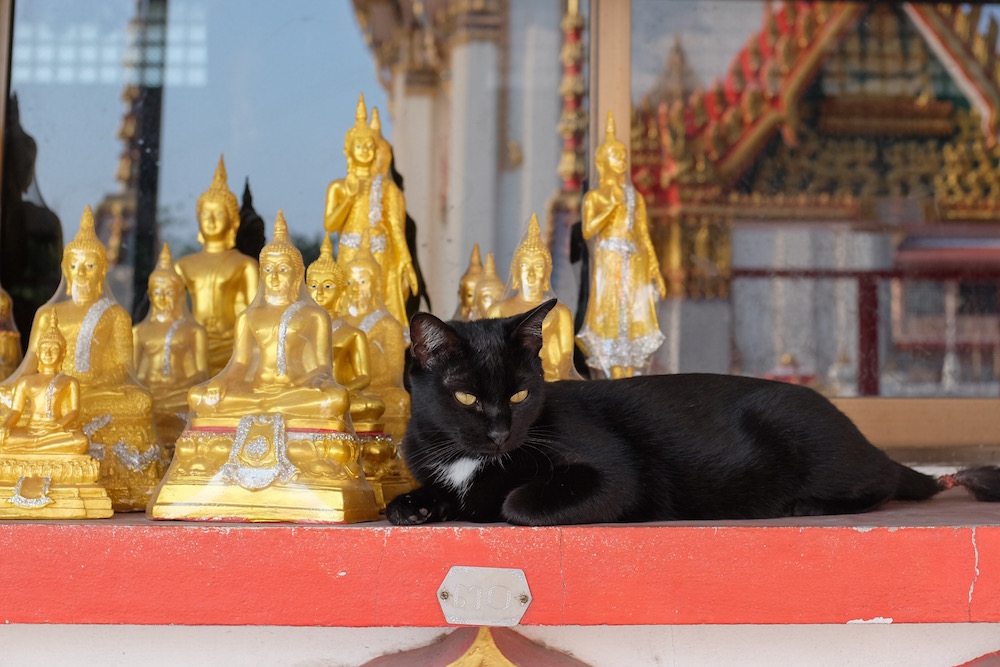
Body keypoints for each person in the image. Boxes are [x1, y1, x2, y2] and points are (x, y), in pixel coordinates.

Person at [188, 211, 349, 429]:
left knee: (337, 399)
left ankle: (267, 407)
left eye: (282, 269)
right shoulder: (247, 317)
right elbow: (240, 364)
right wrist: (220, 382)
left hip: (295, 393)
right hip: (255, 392)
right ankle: (265, 406)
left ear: (297, 274)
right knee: (197, 396)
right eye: (268, 269)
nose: (274, 277)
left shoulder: (315, 315)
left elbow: (322, 367)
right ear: (261, 274)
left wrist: (319, 384)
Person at [578, 112, 667, 378]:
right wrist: (609, 208)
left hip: (634, 262)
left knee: (633, 317)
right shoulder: (595, 197)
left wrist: (655, 271)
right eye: (616, 156)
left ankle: (631, 372)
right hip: (609, 258)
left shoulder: (634, 197)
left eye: (624, 156)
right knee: (610, 316)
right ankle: (612, 371)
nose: (622, 161)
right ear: (604, 161)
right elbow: (588, 230)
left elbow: (643, 236)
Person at [325, 94, 416, 326]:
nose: (365, 150)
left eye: (369, 146)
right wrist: (349, 198)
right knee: (349, 305)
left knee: (379, 306)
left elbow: (396, 228)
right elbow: (330, 224)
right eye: (359, 146)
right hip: (349, 250)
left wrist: (406, 261)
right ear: (349, 150)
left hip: (380, 252)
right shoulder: (338, 187)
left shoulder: (388, 189)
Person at [176, 156, 259, 375]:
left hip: (230, 349)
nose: (211, 220)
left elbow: (255, 318)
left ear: (234, 220)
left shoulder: (246, 265)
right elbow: (169, 314)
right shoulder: (182, 266)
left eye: (219, 213)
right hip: (190, 348)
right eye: (205, 213)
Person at [133, 243, 209, 448]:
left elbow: (202, 374)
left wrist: (185, 388)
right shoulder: (139, 331)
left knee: (199, 399)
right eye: (157, 293)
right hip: (149, 393)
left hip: (179, 395)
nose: (162, 299)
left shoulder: (194, 331)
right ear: (150, 295)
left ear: (179, 295)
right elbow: (132, 374)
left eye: (168, 293)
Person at [306, 233, 386, 428]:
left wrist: (343, 390)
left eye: (327, 286)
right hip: (305, 396)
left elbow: (364, 377)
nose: (319, 292)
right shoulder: (298, 330)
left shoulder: (353, 334)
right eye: (313, 285)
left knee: (372, 406)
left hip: (339, 395)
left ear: (341, 291)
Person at [488, 215, 577, 381]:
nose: (531, 274)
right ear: (516, 272)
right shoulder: (498, 310)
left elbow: (565, 357)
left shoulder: (560, 312)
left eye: (538, 266)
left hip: (553, 381)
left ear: (547, 272)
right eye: (524, 266)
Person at [339, 231, 410, 438]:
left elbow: (394, 376)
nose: (355, 288)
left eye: (362, 281)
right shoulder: (338, 321)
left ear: (375, 284)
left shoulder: (388, 324)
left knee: (399, 400)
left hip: (375, 391)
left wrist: (361, 384)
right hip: (343, 391)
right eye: (350, 282)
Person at [0, 312, 88, 455]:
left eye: (54, 349)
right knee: (3, 437)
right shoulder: (25, 381)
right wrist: (5, 425)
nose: (48, 353)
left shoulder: (70, 381)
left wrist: (58, 425)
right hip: (29, 430)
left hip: (55, 431)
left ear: (63, 354)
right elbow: (16, 411)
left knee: (81, 441)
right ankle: (38, 446)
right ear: (38, 353)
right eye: (44, 349)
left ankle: (30, 448)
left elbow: (74, 411)